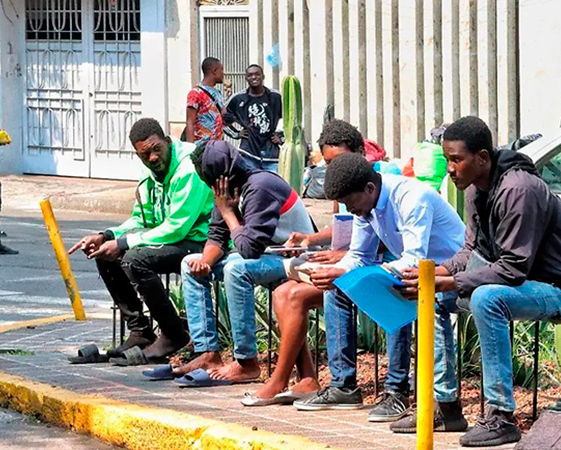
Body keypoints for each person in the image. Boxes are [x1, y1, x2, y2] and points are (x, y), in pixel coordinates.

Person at [398, 116, 561, 447]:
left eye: (456, 159)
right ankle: (446, 407)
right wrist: (430, 275)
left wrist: (451, 282)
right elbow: (471, 252)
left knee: (486, 299)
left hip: (558, 290)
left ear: (482, 157)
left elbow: (513, 268)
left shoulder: (518, 189)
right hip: (520, 284)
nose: (450, 169)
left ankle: (500, 416)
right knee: (433, 296)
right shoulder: (476, 190)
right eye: (447, 159)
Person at [293, 153, 469, 434]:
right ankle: (343, 386)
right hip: (418, 276)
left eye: (351, 203)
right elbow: (359, 255)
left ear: (369, 188)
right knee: (340, 289)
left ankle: (436, 403)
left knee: (425, 299)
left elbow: (414, 260)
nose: (351, 211)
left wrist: (365, 274)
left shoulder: (412, 197)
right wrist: (338, 272)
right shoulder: (367, 206)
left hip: (454, 277)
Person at [245, 120, 406, 416]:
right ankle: (317, 380)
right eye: (328, 163)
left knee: (307, 294)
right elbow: (347, 229)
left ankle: (286, 380)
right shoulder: (342, 184)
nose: (333, 169)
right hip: (352, 261)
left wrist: (342, 257)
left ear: (359, 153)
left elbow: (388, 237)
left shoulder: (381, 180)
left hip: (387, 264)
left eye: (338, 160)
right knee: (285, 292)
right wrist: (312, 240)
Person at [169, 140, 315, 386]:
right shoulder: (227, 189)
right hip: (267, 256)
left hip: (295, 259)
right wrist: (205, 263)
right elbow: (217, 235)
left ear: (217, 176)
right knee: (189, 263)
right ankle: (207, 353)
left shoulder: (260, 187)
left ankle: (247, 362)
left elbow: (248, 249)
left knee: (236, 269)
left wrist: (228, 212)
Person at [68, 118, 214, 362]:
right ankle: (140, 332)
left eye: (157, 149)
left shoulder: (188, 169)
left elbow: (177, 228)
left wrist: (124, 243)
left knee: (135, 259)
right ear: (138, 155)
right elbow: (141, 218)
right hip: (172, 238)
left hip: (203, 242)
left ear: (167, 142)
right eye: (146, 154)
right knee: (107, 255)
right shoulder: (149, 173)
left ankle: (174, 334)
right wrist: (107, 236)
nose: (153, 158)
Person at [224, 64, 282, 172]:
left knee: (273, 182)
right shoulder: (238, 98)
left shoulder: (275, 97)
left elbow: (291, 119)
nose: (254, 77)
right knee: (250, 181)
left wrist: (281, 137)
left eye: (257, 74)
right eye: (250, 75)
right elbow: (221, 119)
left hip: (271, 155)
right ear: (246, 78)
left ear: (263, 77)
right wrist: (236, 134)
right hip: (248, 154)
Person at [186, 57, 226, 146]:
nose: (223, 73)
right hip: (201, 147)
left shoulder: (218, 94)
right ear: (214, 71)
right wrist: (189, 148)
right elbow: (190, 122)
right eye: (221, 69)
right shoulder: (195, 93)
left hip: (217, 147)